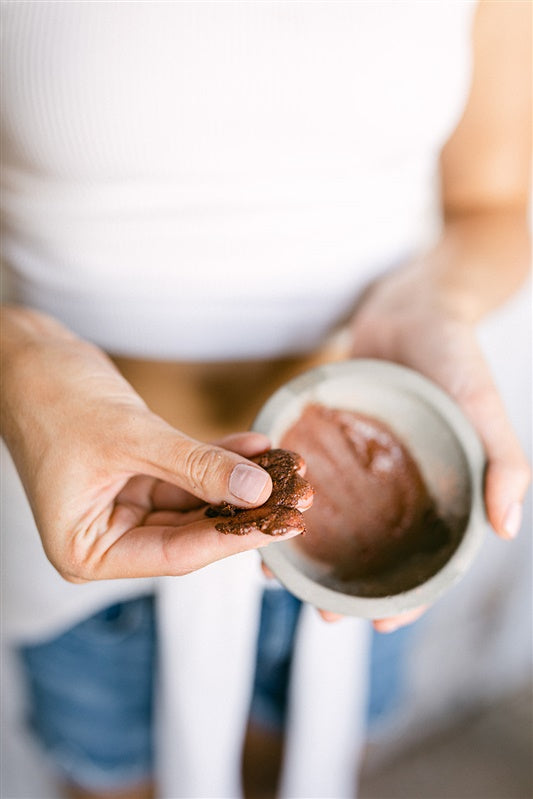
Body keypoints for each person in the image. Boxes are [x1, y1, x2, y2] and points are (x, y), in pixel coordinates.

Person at [1, 2, 530, 798]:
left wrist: (434, 302)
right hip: (87, 513)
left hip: (363, 523)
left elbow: (496, 204)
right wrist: (17, 359)